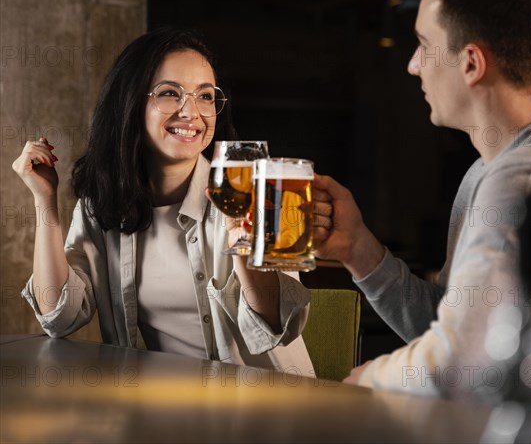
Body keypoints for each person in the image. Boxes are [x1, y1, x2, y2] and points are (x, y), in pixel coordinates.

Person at [313, 0, 531, 399]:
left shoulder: (527, 179)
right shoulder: (494, 167)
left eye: (424, 45)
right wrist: (359, 251)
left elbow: (459, 364)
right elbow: (449, 327)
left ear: (470, 63)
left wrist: (367, 379)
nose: (412, 65)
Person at [12, 27, 314, 376]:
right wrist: (44, 200)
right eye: (171, 93)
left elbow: (280, 326)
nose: (191, 112)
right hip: (157, 409)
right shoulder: (102, 206)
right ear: (131, 102)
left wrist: (242, 241)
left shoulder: (256, 192)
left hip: (263, 410)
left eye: (205, 96)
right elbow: (58, 318)